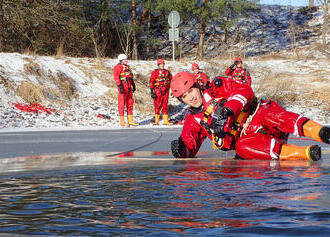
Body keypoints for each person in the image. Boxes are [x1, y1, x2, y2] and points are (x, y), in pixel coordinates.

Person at [170, 71, 330, 160]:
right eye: (184, 96)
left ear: (197, 86)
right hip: (253, 141)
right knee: (241, 148)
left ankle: (319, 132)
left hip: (259, 116)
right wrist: (181, 150)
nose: (190, 97)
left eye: (191, 91)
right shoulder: (192, 120)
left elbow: (245, 90)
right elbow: (190, 145)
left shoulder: (217, 87)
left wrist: (228, 110)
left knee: (271, 115)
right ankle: (306, 153)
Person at [113, 54, 139, 126]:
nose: (126, 60)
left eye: (126, 59)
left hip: (129, 87)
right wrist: (120, 86)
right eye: (125, 59)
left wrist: (133, 84)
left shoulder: (127, 67)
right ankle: (122, 121)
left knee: (130, 103)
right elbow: (116, 78)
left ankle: (130, 120)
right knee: (122, 104)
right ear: (121, 60)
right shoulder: (117, 67)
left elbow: (130, 76)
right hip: (123, 87)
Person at [149, 58, 173, 125]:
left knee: (165, 105)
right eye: (161, 64)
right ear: (158, 65)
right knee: (157, 105)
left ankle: (166, 121)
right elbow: (151, 81)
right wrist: (152, 91)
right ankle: (156, 121)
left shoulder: (167, 72)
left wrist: (173, 90)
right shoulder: (155, 72)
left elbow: (171, 81)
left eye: (163, 64)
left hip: (166, 90)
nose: (162, 65)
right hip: (158, 90)